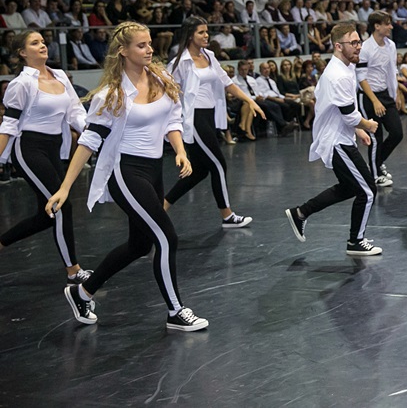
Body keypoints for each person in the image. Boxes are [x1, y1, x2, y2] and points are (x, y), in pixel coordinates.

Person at [46, 22, 208, 332]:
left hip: (153, 169)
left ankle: (82, 293)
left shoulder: (161, 78)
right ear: (123, 50)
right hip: (125, 171)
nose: (149, 49)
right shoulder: (112, 94)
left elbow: (172, 119)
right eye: (141, 45)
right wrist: (65, 188)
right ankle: (175, 311)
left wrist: (180, 150)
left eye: (150, 44)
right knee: (166, 237)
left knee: (139, 245)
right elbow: (88, 142)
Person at [285, 22, 383, 257]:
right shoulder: (338, 74)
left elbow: (340, 109)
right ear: (339, 46)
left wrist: (357, 130)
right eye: (354, 43)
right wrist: (367, 125)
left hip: (341, 137)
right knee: (368, 190)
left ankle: (300, 213)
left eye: (359, 41)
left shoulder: (344, 68)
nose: (359, 46)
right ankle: (355, 241)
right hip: (336, 141)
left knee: (350, 187)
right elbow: (349, 115)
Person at [0, 31, 90, 283]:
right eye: (35, 43)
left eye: (42, 41)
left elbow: (75, 112)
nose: (42, 45)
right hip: (29, 149)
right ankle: (73, 270)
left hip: (53, 148)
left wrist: (93, 134)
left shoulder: (60, 75)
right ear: (22, 52)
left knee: (46, 215)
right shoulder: (21, 84)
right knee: (61, 205)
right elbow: (9, 125)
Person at [165, 18, 265, 228]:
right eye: (201, 32)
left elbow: (227, 83)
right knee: (219, 164)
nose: (206, 36)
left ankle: (161, 205)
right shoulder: (180, 63)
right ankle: (227, 215)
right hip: (194, 118)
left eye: (207, 32)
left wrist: (249, 100)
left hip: (209, 115)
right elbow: (168, 92)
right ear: (190, 35)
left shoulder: (209, 56)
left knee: (199, 171)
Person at [356, 11, 402, 187]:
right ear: (377, 26)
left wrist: (396, 93)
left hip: (385, 94)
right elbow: (361, 77)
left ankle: (376, 163)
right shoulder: (365, 48)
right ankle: (375, 175)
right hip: (369, 96)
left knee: (397, 133)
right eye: (387, 23)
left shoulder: (391, 46)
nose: (390, 27)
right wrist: (375, 101)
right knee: (376, 137)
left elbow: (392, 70)